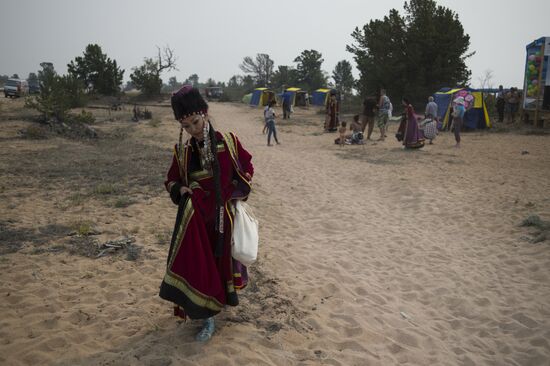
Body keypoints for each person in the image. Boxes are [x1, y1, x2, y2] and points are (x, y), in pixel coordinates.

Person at [160, 85, 254, 342]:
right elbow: (171, 181)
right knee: (201, 265)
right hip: (199, 219)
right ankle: (207, 318)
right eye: (187, 126)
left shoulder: (230, 142)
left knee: (219, 264)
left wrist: (232, 194)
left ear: (205, 113)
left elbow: (246, 170)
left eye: (196, 122)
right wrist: (183, 189)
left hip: (223, 216)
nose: (193, 129)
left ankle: (217, 305)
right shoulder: (183, 152)